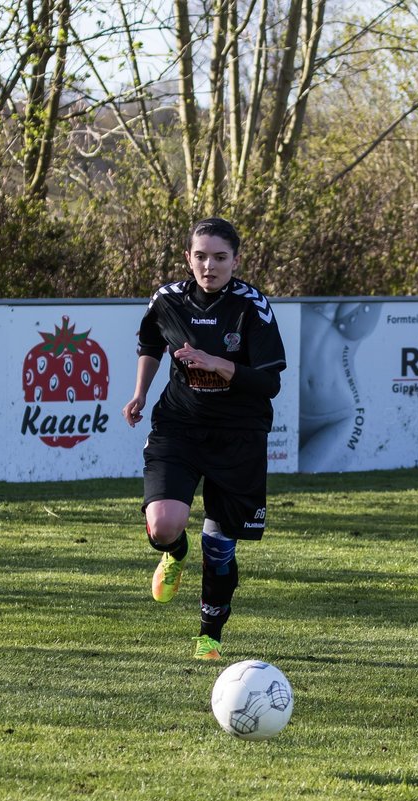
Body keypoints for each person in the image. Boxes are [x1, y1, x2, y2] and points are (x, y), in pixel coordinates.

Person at [122, 217, 287, 661]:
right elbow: (150, 342)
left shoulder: (252, 306)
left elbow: (269, 382)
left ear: (235, 260)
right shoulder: (168, 299)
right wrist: (139, 393)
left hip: (238, 435)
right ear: (187, 258)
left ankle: (209, 636)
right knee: (162, 524)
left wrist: (217, 363)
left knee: (219, 548)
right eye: (200, 256)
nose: (209, 266)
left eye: (219, 257)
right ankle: (174, 552)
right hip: (179, 426)